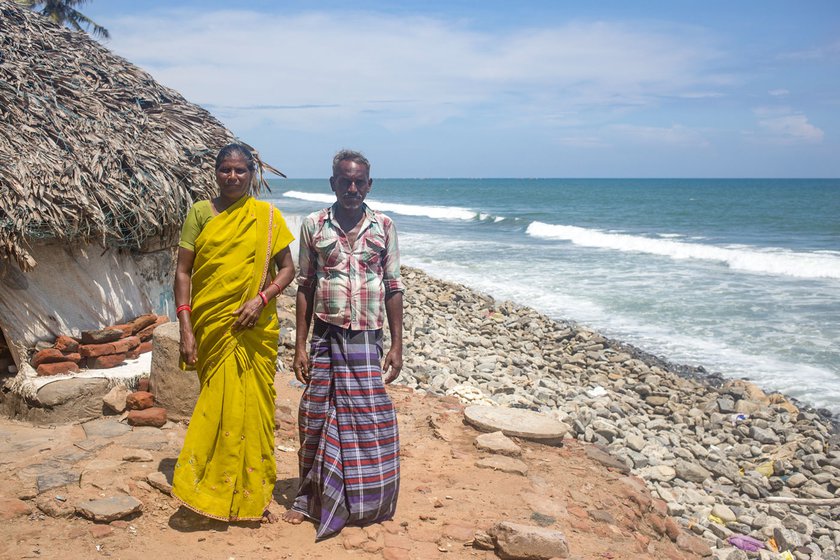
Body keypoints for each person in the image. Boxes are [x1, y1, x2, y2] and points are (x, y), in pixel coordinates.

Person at [171, 143, 295, 523]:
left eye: (241, 170)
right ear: (216, 172)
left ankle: (250, 495)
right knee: (217, 406)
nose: (233, 177)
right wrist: (186, 327)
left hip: (254, 329)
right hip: (213, 326)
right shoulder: (199, 213)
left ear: (252, 174)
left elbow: (289, 269)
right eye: (226, 169)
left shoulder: (268, 216)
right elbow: (182, 272)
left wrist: (262, 298)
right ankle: (205, 491)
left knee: (253, 411)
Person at [282, 149, 403, 539]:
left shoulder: (384, 226)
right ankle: (309, 497)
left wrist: (397, 346)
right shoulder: (314, 225)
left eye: (359, 181)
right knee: (316, 414)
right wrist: (299, 346)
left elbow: (393, 287)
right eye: (345, 181)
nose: (352, 188)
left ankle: (367, 500)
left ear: (369, 184)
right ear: (333, 182)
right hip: (325, 335)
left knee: (369, 419)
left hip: (367, 338)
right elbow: (305, 285)